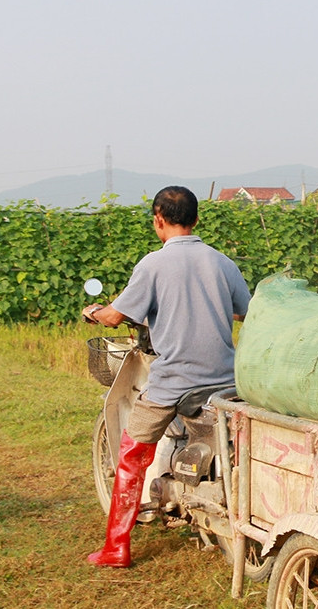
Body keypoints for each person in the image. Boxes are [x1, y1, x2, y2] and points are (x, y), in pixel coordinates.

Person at [81, 185, 251, 568]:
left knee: (131, 454)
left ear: (159, 218)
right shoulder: (223, 263)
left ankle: (116, 548)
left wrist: (95, 311)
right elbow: (244, 311)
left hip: (173, 380)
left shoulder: (153, 264)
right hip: (226, 379)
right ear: (196, 218)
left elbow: (116, 315)